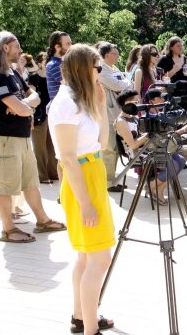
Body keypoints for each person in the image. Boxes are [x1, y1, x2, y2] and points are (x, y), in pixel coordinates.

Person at [47, 44, 116, 335]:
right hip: (82, 180)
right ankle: (90, 328)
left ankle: (82, 317)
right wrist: (86, 203)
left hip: (92, 172)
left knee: (87, 256)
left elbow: (101, 144)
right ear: (82, 69)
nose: (99, 72)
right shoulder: (65, 103)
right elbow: (67, 158)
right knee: (100, 259)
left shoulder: (80, 99)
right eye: (96, 67)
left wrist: (100, 106)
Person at [0, 32, 67, 243]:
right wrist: (24, 106)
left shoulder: (11, 73)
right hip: (5, 138)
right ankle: (8, 229)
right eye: (16, 45)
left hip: (21, 136)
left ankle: (42, 220)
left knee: (30, 181)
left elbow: (35, 95)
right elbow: (23, 105)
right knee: (6, 186)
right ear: (4, 48)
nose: (20, 50)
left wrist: (23, 105)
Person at [97, 42, 132, 186]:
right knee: (109, 148)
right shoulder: (101, 70)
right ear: (106, 54)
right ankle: (107, 182)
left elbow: (127, 82)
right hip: (107, 113)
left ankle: (112, 179)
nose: (117, 56)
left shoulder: (113, 68)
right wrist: (122, 84)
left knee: (117, 148)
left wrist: (122, 84)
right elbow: (120, 85)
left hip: (116, 112)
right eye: (114, 54)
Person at [27, 53, 59, 184]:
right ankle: (42, 175)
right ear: (39, 62)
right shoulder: (33, 78)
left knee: (53, 146)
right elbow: (31, 97)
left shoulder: (52, 77)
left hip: (52, 114)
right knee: (40, 147)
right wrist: (32, 116)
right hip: (39, 115)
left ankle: (54, 172)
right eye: (45, 60)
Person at [45, 31, 72, 103]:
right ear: (57, 47)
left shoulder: (60, 63)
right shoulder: (55, 65)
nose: (71, 46)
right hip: (62, 108)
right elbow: (70, 85)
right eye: (68, 44)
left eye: (71, 43)